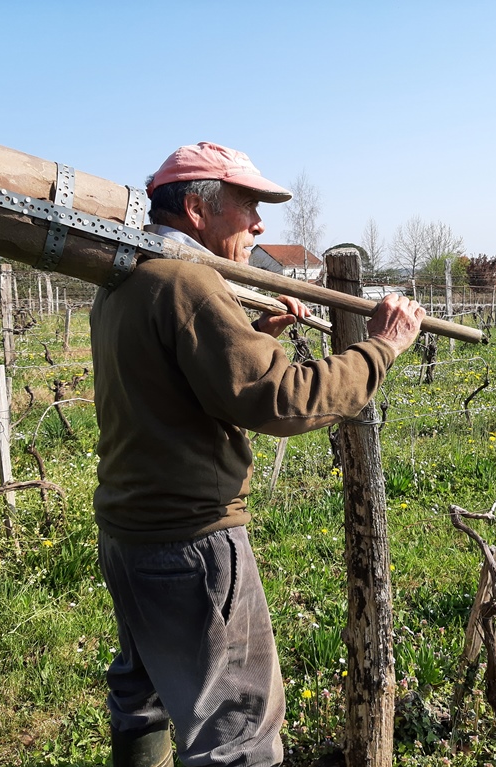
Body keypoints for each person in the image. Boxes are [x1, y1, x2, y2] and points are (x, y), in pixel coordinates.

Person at [90, 141, 425, 767]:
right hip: (191, 544)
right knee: (238, 730)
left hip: (129, 533)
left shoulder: (125, 277)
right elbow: (284, 400)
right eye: (247, 206)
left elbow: (177, 383)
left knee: (144, 694)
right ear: (197, 210)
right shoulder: (187, 281)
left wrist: (252, 337)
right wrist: (382, 347)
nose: (260, 225)